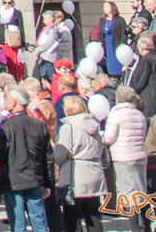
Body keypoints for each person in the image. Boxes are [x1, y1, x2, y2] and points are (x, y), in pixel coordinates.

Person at [0, 87, 54, 232]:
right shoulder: (39, 125)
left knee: (18, 224)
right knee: (39, 222)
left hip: (14, 181)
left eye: (8, 100)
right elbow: (48, 157)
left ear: (14, 102)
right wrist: (48, 182)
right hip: (34, 178)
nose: (6, 103)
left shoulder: (7, 126)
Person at [102, 86, 149, 232]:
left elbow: (109, 138)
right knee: (141, 190)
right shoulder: (139, 114)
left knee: (128, 192)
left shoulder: (116, 114)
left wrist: (101, 135)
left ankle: (134, 227)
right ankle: (146, 225)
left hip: (122, 157)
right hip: (140, 155)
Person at [55, 95, 103, 232]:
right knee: (93, 217)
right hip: (94, 174)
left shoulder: (68, 128)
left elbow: (59, 156)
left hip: (75, 176)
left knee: (72, 217)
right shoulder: (94, 126)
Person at [124, 34, 156, 119]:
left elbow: (139, 81)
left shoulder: (146, 60)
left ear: (141, 48)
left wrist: (131, 92)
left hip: (148, 99)